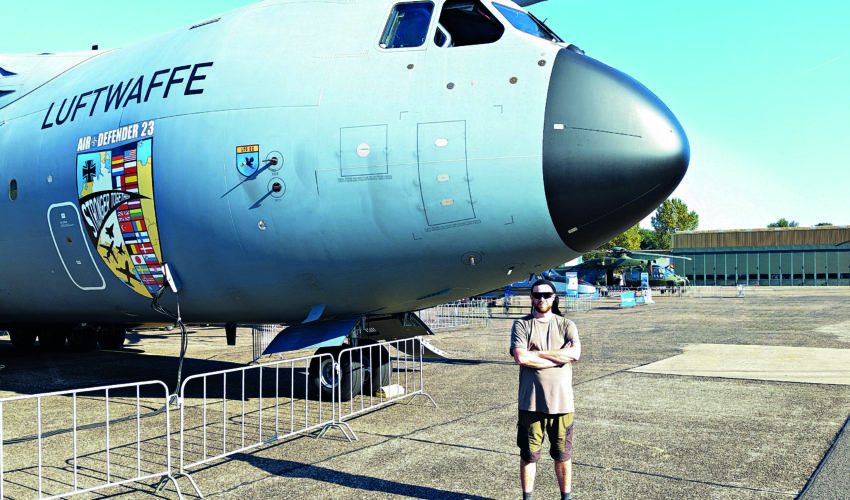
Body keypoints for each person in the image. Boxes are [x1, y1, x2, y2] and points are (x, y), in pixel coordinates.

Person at [510, 279, 581, 500]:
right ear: (531, 297)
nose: (542, 299)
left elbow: (575, 354)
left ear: (554, 297)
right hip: (530, 403)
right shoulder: (522, 324)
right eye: (537, 295)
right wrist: (559, 356)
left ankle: (565, 497)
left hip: (562, 404)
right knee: (529, 455)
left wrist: (536, 355)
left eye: (546, 295)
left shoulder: (566, 324)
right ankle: (527, 497)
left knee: (562, 455)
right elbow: (521, 357)